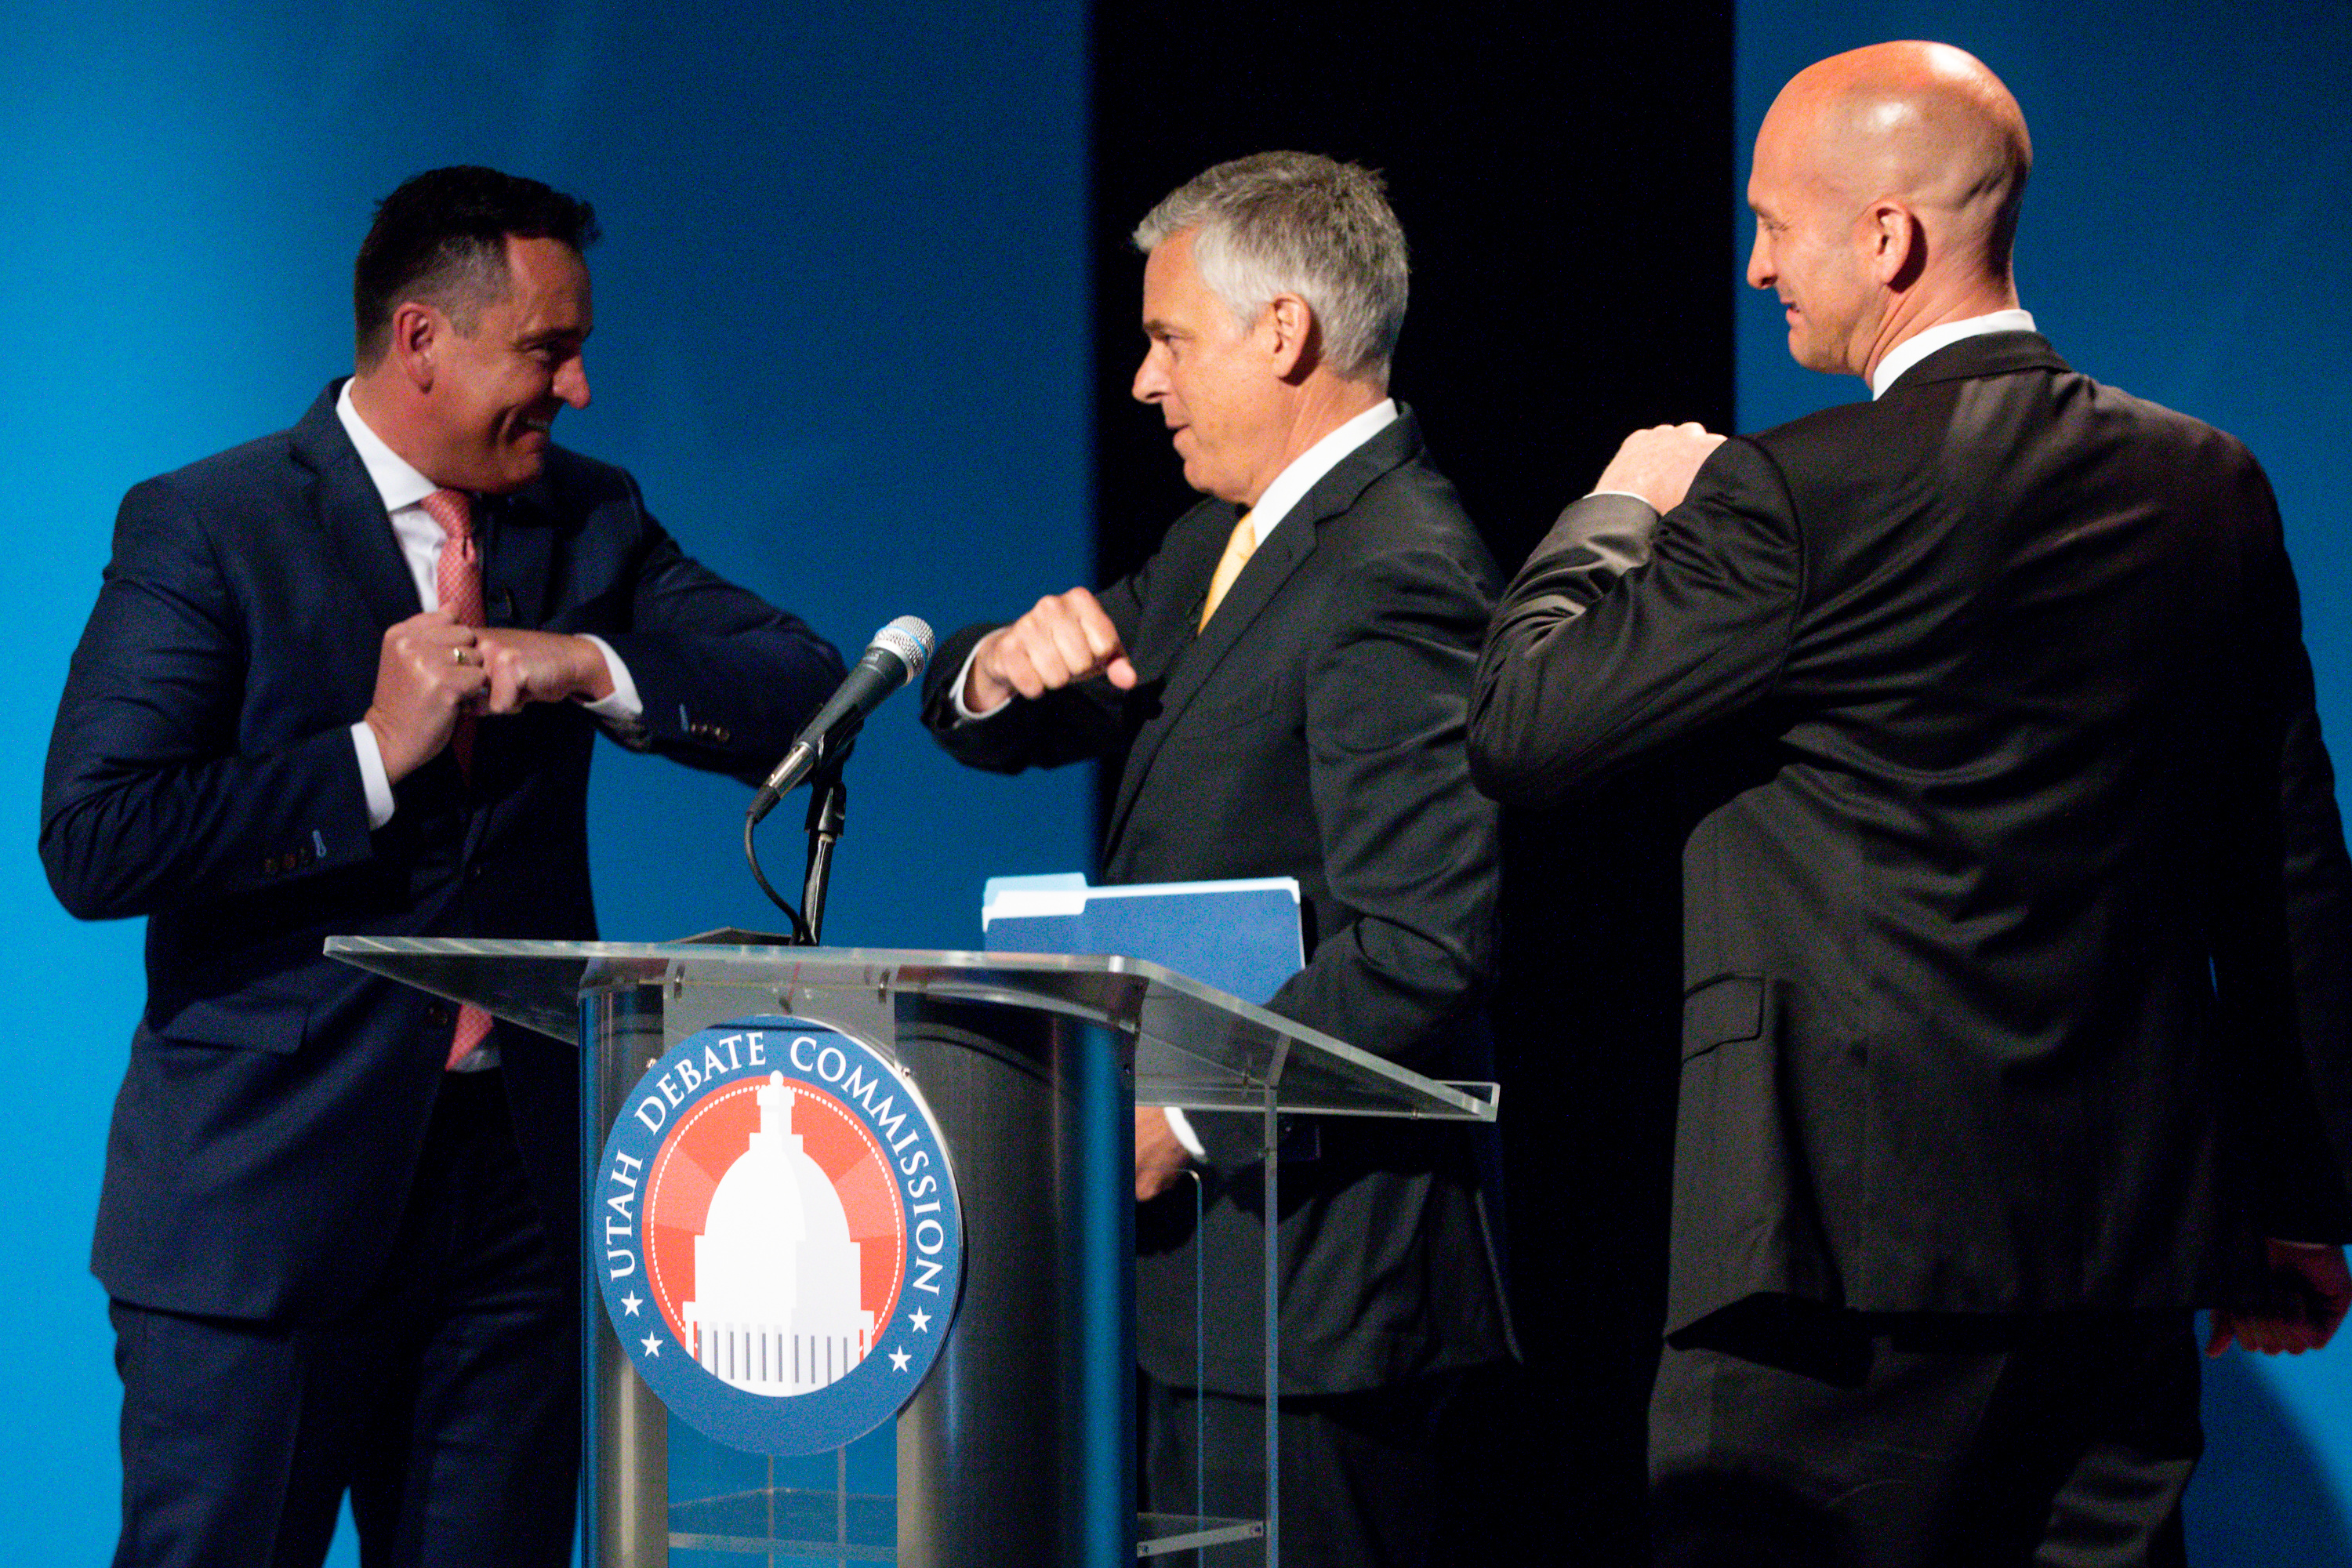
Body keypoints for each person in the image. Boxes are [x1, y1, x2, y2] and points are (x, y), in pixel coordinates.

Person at [1468, 42, 2352, 1567]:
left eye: (1776, 226)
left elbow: (1527, 725)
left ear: (1888, 238)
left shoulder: (1793, 495)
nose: (1754, 266)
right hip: (2124, 1265)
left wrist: (1621, 504)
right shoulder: (2213, 488)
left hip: (1834, 1284)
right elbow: (2284, 869)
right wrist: (2300, 1200)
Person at [42, 165, 844, 1568]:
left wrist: (584, 662)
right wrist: (367, 753)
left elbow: (802, 685)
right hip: (263, 1219)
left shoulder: (586, 521)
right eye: (547, 350)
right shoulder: (211, 526)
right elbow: (98, 838)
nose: (580, 388)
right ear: (422, 340)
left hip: (512, 1216)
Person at [920, 152, 1510, 1566]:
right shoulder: (1215, 545)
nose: (1143, 381)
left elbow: (1422, 949)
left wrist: (1175, 1123)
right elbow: (986, 724)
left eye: (1170, 339)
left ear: (1285, 333)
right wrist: (997, 668)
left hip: (1318, 1292)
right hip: (1203, 1295)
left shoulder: (1401, 564)